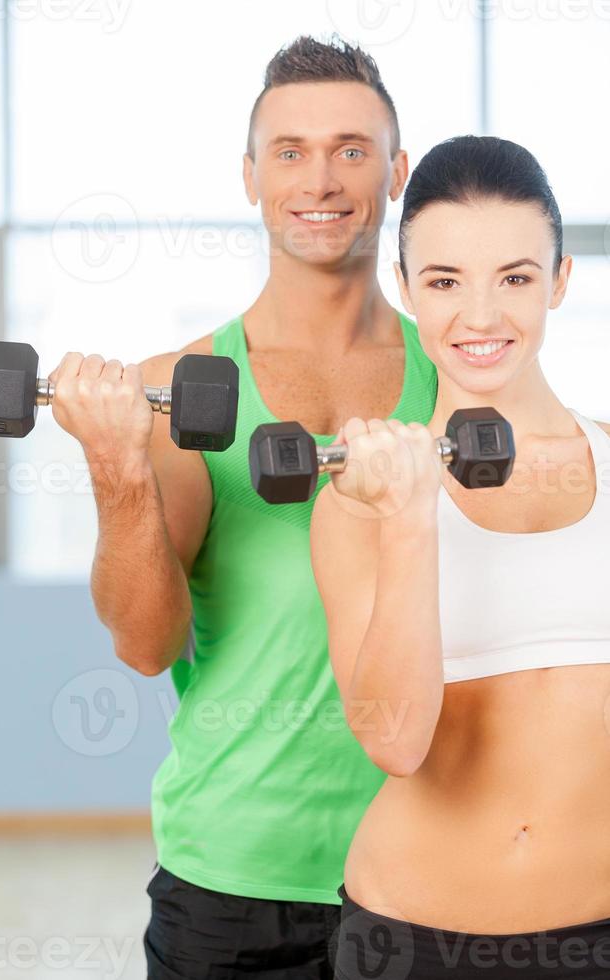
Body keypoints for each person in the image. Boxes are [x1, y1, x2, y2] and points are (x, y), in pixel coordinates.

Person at [46, 36, 438, 978]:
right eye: (291, 151)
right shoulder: (176, 391)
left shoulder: (460, 386)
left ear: (397, 171)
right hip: (234, 880)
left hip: (423, 865)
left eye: (352, 149)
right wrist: (117, 467)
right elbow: (144, 646)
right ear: (251, 176)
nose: (322, 179)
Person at [310, 134, 610, 978]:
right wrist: (410, 516)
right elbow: (396, 742)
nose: (480, 317)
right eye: (444, 282)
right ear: (405, 290)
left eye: (515, 277)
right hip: (411, 943)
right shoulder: (360, 499)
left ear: (559, 280)